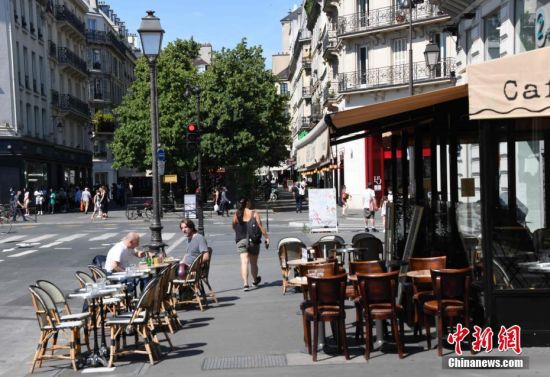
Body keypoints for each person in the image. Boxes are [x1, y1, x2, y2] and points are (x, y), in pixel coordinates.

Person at [232, 197, 269, 291]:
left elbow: (233, 226)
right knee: (253, 263)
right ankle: (255, 281)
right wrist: (267, 238)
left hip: (241, 240)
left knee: (244, 262)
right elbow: (261, 227)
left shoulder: (237, 214)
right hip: (253, 240)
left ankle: (245, 284)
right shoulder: (254, 213)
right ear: (247, 203)